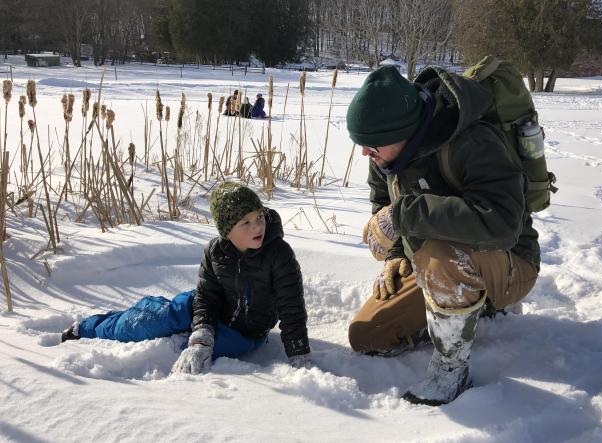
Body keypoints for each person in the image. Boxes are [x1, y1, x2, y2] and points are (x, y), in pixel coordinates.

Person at [346, 65, 540, 405]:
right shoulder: (385, 155)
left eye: (372, 144)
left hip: (511, 263)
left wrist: (404, 215)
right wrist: (396, 256)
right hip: (433, 266)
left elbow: (503, 225)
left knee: (441, 253)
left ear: (403, 131)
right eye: (362, 144)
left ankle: (452, 369)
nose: (365, 153)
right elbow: (383, 203)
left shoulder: (473, 142)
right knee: (369, 335)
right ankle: (467, 307)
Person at [60, 183, 311, 374]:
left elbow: (292, 307)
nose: (257, 227)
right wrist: (202, 332)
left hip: (245, 333)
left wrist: (298, 353)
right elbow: (207, 296)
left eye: (259, 217)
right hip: (202, 308)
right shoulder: (216, 251)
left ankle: (181, 341)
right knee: (149, 321)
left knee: (184, 347)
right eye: (246, 222)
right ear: (227, 231)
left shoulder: (279, 255)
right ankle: (89, 327)